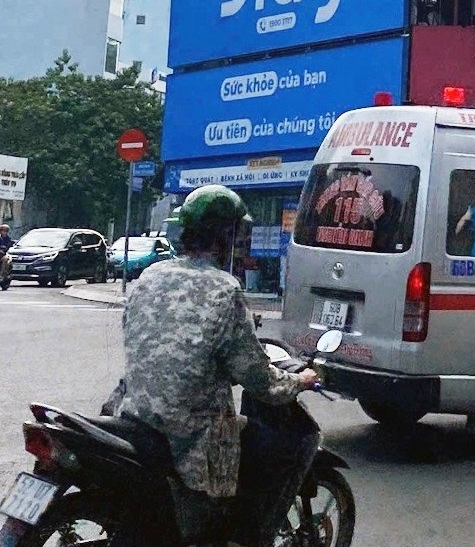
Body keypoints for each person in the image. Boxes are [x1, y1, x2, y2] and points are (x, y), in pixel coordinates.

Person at [103, 184, 317, 543]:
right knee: (268, 443)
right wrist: (301, 380)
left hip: (132, 412)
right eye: (237, 235)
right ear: (226, 236)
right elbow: (260, 379)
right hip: (189, 431)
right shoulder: (225, 289)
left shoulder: (148, 277)